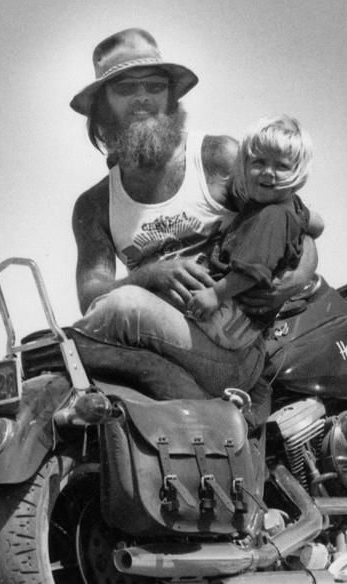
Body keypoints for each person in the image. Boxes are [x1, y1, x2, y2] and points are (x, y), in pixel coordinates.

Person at [66, 28, 319, 399]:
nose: (142, 99)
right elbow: (91, 296)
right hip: (159, 348)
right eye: (124, 89)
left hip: (230, 346)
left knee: (123, 308)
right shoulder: (94, 205)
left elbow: (299, 223)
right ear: (101, 105)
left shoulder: (217, 158)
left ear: (170, 95)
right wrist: (151, 275)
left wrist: (296, 278)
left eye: (153, 86)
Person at [184, 115, 324, 354]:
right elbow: (316, 224)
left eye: (281, 166)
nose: (268, 173)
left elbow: (252, 270)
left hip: (228, 312)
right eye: (259, 162)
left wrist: (214, 295)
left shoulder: (273, 215)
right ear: (245, 165)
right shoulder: (282, 206)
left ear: (298, 173)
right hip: (240, 321)